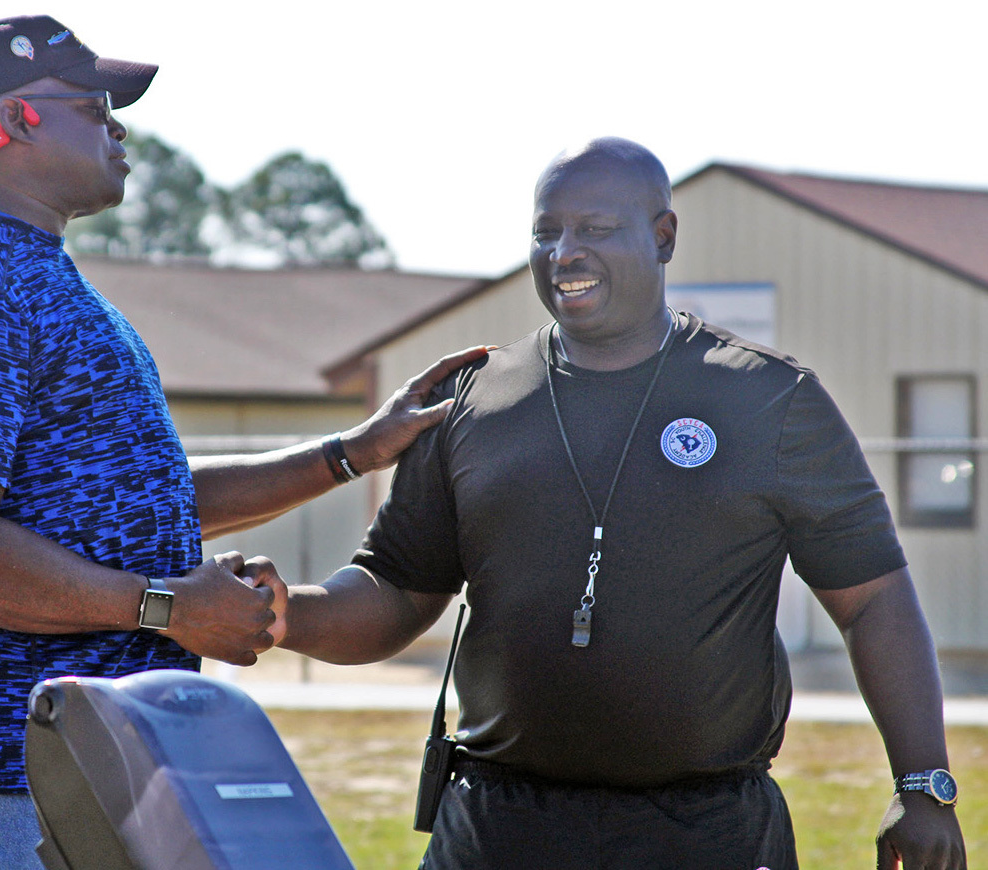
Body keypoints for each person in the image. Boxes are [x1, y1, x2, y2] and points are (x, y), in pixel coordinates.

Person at [0, 15, 484, 870]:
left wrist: (352, 453)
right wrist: (167, 606)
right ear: (13, 118)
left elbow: (138, 499)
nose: (119, 130)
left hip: (80, 761)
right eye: (96, 108)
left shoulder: (34, 273)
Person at [271, 138, 967, 869]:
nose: (564, 252)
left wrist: (921, 783)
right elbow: (395, 589)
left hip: (707, 831)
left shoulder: (769, 399)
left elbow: (872, 600)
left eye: (595, 229)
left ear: (663, 237)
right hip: (498, 826)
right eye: (545, 231)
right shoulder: (472, 400)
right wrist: (285, 612)